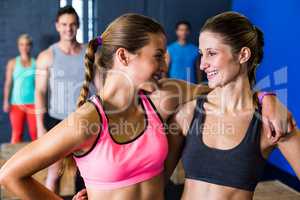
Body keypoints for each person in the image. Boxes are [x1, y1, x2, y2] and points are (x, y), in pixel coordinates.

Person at [0, 13, 293, 200]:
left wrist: (266, 99)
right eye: (158, 55)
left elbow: (215, 89)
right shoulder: (87, 120)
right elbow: (10, 175)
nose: (165, 62)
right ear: (125, 57)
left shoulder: (162, 97)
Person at [165, 11, 300, 200]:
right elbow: (153, 185)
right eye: (202, 54)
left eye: (211, 53)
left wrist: (265, 99)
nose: (203, 64)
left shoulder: (270, 122)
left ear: (243, 55)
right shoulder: (187, 113)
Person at [35, 5, 87, 192]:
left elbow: (102, 87)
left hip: (84, 120)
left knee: (86, 177)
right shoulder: (46, 56)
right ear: (57, 26)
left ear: (78, 26)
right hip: (57, 121)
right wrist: (40, 126)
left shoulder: (88, 53)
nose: (68, 29)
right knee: (54, 175)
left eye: (72, 24)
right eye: (64, 24)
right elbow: (40, 92)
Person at [3, 34, 37, 144]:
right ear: (18, 46)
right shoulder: (12, 63)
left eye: (27, 44)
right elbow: (8, 83)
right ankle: (16, 161)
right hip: (16, 103)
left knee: (35, 134)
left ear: (31, 46)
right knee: (17, 134)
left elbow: (40, 85)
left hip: (33, 103)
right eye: (21, 44)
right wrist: (5, 101)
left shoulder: (36, 63)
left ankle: (37, 161)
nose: (24, 47)